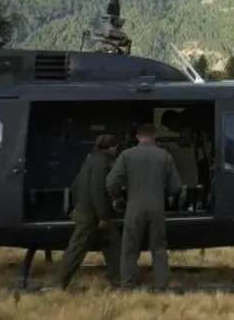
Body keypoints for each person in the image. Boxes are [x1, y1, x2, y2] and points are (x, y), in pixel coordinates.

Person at [106, 123, 184, 289]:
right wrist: (162, 194)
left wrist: (119, 198)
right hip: (157, 206)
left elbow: (111, 182)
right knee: (158, 247)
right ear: (154, 136)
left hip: (134, 205)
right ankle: (161, 285)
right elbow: (176, 186)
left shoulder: (127, 155)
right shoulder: (165, 156)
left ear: (137, 136)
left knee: (130, 247)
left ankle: (128, 284)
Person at [54, 135, 122, 290]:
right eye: (116, 147)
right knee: (78, 247)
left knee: (112, 243)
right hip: (92, 214)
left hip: (85, 210)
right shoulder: (103, 163)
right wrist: (103, 215)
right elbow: (98, 190)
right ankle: (60, 283)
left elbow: (75, 185)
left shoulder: (90, 160)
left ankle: (117, 279)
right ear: (112, 147)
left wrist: (75, 206)